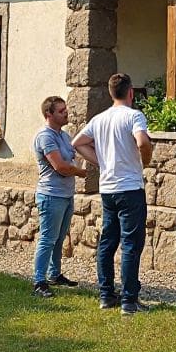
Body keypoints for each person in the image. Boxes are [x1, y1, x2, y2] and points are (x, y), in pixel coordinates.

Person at [72, 73, 153, 316]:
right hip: (130, 187)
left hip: (108, 189)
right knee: (130, 243)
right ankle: (129, 300)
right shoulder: (134, 115)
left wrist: (101, 163)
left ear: (110, 93)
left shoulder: (99, 119)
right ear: (131, 93)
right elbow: (142, 142)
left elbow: (78, 142)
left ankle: (106, 295)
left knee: (108, 242)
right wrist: (144, 161)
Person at [32, 94, 89, 298]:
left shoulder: (64, 136)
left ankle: (54, 274)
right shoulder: (45, 136)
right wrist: (81, 172)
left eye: (66, 110)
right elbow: (60, 167)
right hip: (51, 195)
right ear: (49, 114)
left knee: (58, 238)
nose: (67, 114)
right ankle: (39, 281)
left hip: (65, 195)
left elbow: (75, 155)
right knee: (48, 239)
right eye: (61, 111)